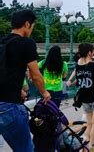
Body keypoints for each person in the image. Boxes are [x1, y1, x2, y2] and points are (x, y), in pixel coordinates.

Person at [0, 10, 51, 151]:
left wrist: (20, 90)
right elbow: (35, 75)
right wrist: (44, 92)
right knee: (25, 149)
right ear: (27, 24)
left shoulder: (2, 42)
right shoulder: (26, 43)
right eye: (32, 26)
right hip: (9, 106)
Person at [75, 43, 94, 151]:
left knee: (89, 123)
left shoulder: (78, 65)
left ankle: (84, 145)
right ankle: (92, 147)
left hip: (84, 98)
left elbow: (78, 82)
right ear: (89, 52)